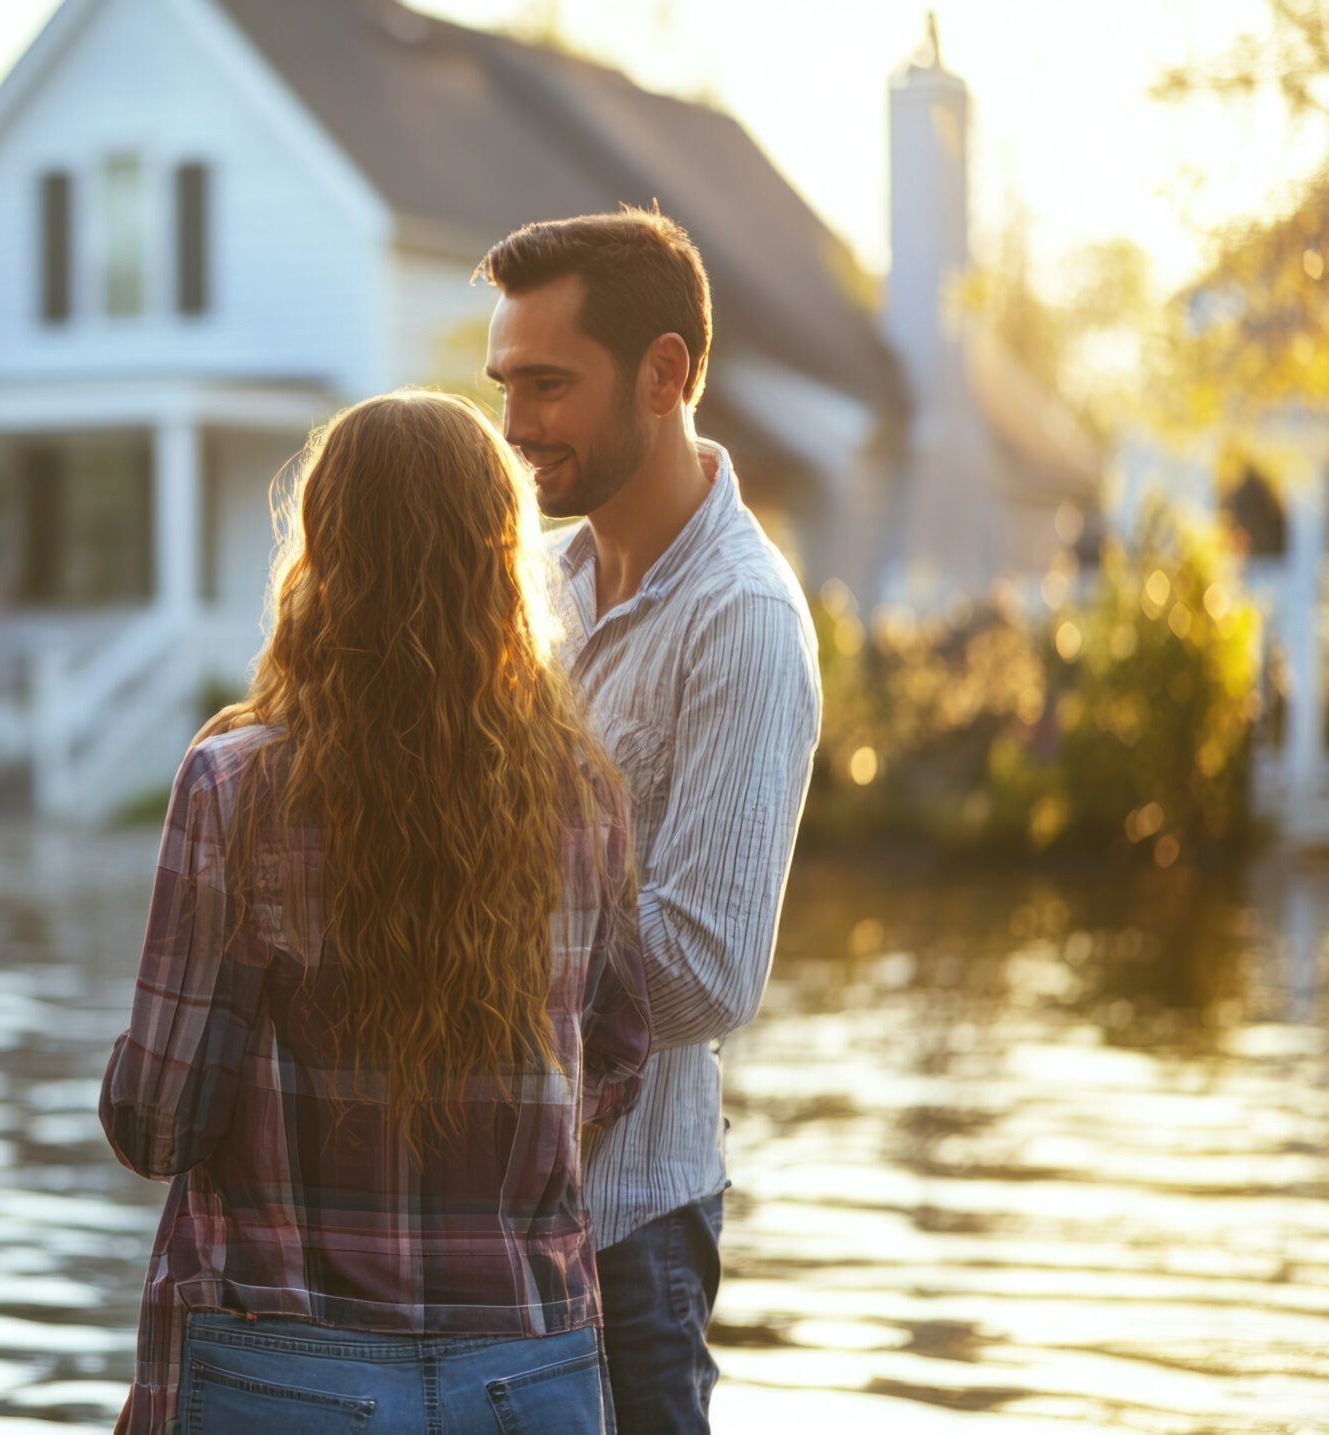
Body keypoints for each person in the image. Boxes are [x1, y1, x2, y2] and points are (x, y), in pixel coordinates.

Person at [101, 390, 655, 1435]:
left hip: (285, 1366)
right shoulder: (584, 793)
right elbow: (618, 1058)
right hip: (523, 1369)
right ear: (501, 567)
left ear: (323, 557)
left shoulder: (234, 786)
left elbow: (159, 1122)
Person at [478, 209, 823, 1435]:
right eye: (505, 384)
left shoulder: (741, 618)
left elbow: (706, 970)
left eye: (549, 384)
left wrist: (461, 938)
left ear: (665, 373)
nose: (514, 425)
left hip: (628, 1239)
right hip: (491, 1219)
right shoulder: (542, 591)